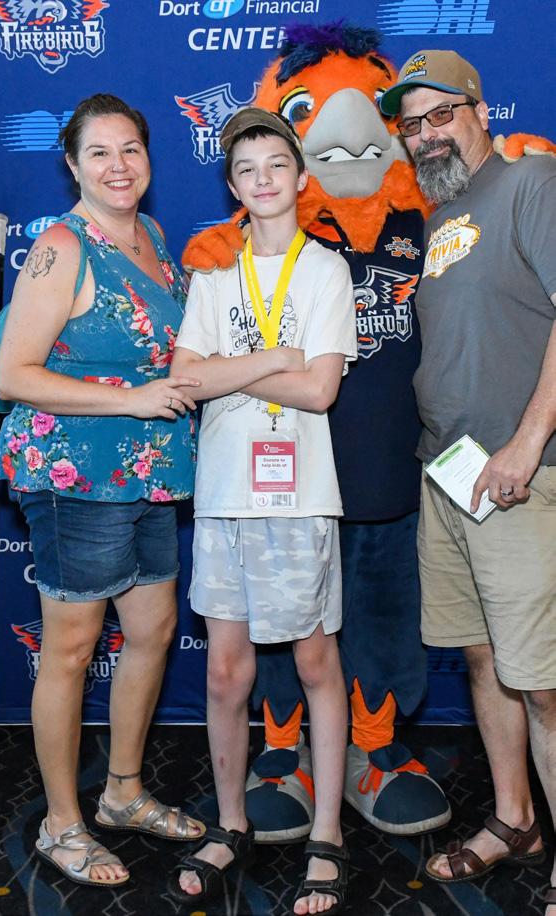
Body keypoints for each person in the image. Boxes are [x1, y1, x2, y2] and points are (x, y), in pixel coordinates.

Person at [0, 93, 206, 888]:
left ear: (149, 158)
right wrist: (130, 400)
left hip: (149, 470)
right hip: (74, 473)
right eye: (100, 153)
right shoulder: (61, 246)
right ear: (73, 165)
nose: (119, 166)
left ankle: (121, 792)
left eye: (131, 150)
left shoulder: (152, 236)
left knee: (152, 627)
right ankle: (61, 823)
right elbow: (15, 375)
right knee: (74, 648)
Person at [167, 108, 357, 915]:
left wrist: (233, 366)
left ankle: (328, 834)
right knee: (224, 670)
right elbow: (184, 378)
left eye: (276, 163)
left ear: (301, 175)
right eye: (246, 169)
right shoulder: (214, 274)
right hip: (224, 493)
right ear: (233, 187)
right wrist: (276, 354)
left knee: (315, 662)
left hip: (300, 493)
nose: (264, 179)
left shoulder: (326, 271)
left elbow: (319, 390)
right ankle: (231, 823)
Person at [380, 51, 556, 911]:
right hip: (449, 479)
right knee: (487, 660)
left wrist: (526, 442)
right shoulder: (443, 213)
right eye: (410, 124)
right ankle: (516, 820)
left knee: (545, 683)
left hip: (523, 480)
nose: (425, 134)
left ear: (481, 111)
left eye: (440, 114)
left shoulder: (531, 185)